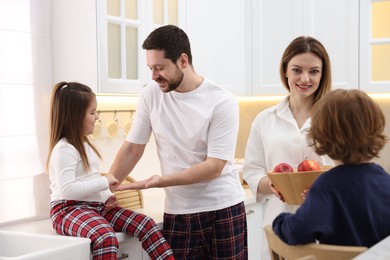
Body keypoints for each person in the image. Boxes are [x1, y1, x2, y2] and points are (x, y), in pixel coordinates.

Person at [109, 25, 247, 259]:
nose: (153, 76)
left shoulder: (222, 102)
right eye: (150, 68)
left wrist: (159, 181)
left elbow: (214, 167)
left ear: (183, 61)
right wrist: (106, 190)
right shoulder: (151, 95)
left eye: (160, 68)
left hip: (223, 209)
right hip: (179, 213)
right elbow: (133, 148)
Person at [46, 82, 174, 260]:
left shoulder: (84, 145)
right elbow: (68, 191)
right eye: (92, 112)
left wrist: (105, 195)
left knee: (147, 224)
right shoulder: (64, 150)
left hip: (93, 207)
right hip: (67, 210)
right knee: (106, 238)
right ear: (75, 116)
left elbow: (87, 180)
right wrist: (104, 181)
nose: (97, 117)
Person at [242, 36, 335, 259]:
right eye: (297, 70)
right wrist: (273, 185)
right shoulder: (265, 119)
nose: (305, 78)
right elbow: (252, 170)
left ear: (322, 75)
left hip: (326, 220)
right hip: (278, 222)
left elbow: (348, 169)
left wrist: (326, 187)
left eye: (314, 71)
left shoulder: (334, 118)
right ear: (285, 71)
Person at [273, 89, 390, 247]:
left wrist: (279, 221)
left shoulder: (326, 185)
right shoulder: (385, 181)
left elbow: (297, 231)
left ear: (322, 137)